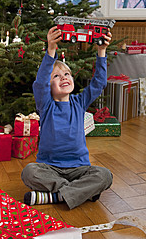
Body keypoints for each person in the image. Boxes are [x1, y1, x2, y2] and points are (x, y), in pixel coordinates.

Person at [21, 26, 113, 210]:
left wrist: (101, 51)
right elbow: (39, 83)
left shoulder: (80, 102)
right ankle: (78, 193)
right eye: (56, 76)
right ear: (49, 86)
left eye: (67, 74)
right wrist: (51, 50)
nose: (63, 77)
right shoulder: (46, 105)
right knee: (29, 172)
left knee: (105, 175)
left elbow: (99, 83)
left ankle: (56, 196)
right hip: (50, 168)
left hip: (80, 168)